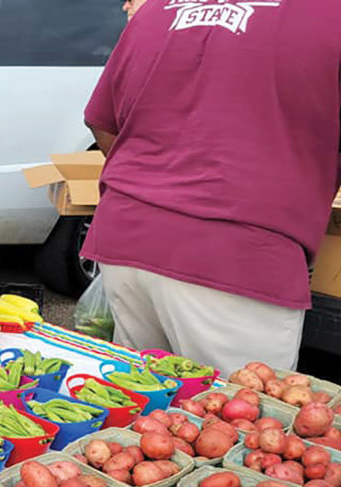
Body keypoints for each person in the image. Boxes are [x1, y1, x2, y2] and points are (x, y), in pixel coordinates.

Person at [81, 0, 341, 373]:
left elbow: (101, 122)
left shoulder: (158, 8)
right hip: (239, 259)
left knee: (143, 409)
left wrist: (155, 185)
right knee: (241, 422)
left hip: (127, 242)